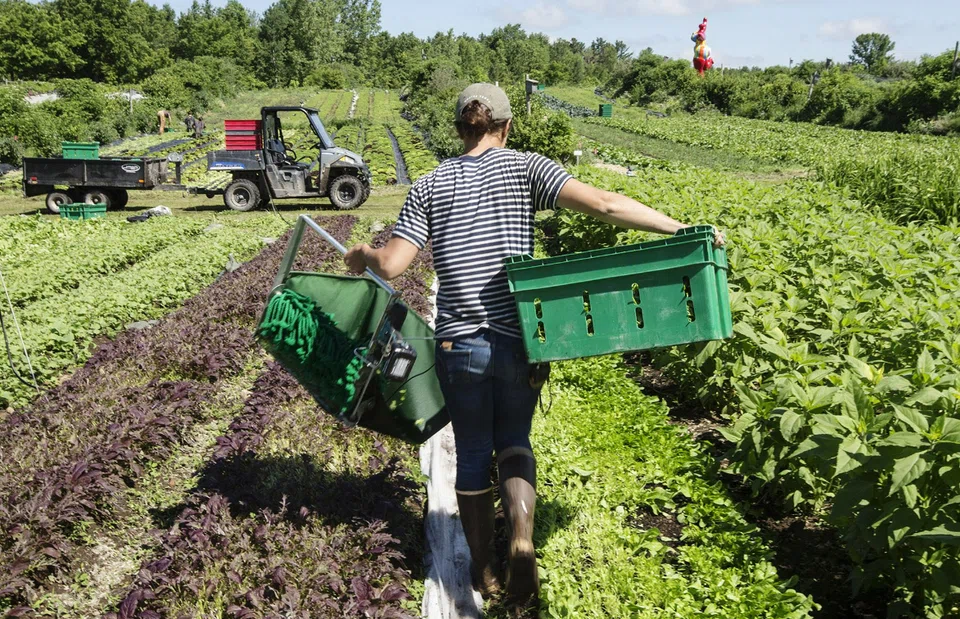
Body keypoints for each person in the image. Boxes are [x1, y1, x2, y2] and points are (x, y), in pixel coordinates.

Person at [344, 83, 723, 608]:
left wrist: (362, 253)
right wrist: (678, 227)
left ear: (460, 128)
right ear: (506, 125)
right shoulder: (527, 169)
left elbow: (391, 265)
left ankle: (483, 570)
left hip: (457, 344)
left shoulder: (430, 184)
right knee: (515, 438)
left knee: (474, 452)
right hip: (520, 337)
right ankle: (521, 537)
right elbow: (605, 204)